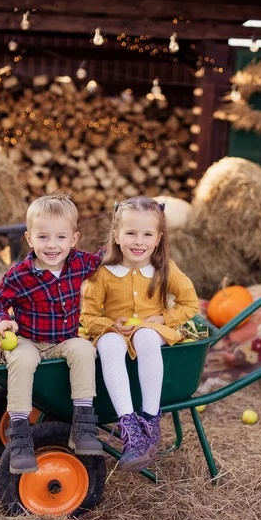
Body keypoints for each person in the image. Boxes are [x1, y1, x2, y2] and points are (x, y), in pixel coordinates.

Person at [0, 193, 103, 475]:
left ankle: (83, 425)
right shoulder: (21, 274)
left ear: (74, 239)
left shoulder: (78, 263)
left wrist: (124, 242)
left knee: (84, 349)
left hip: (62, 342)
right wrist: (1, 321)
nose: (52, 245)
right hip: (28, 340)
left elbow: (102, 259)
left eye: (61, 238)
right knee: (22, 360)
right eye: (43, 237)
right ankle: (20, 436)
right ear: (29, 239)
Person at [80, 196, 199, 472]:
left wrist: (163, 317)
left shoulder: (164, 269)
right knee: (109, 343)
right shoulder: (103, 273)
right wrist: (110, 326)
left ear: (158, 238)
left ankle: (150, 418)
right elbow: (87, 316)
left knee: (145, 334)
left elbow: (190, 304)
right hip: (115, 332)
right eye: (131, 233)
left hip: (153, 331)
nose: (138, 241)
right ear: (116, 235)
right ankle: (130, 426)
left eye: (147, 234)